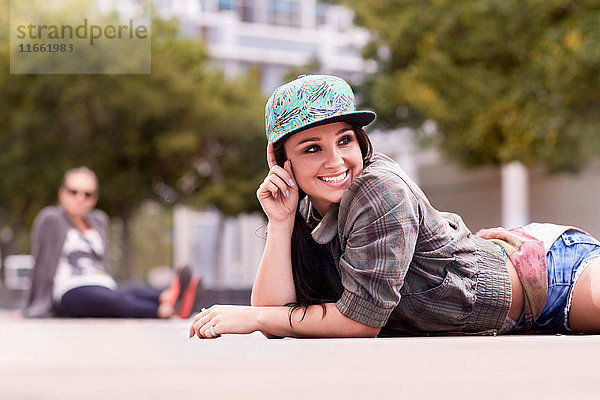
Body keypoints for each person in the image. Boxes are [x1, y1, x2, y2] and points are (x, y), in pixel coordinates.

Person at [189, 74, 600, 339]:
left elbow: (359, 321)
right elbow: (276, 313)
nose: (335, 161)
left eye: (345, 139)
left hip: (547, 275)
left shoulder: (378, 190)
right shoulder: (307, 209)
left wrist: (255, 318)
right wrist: (280, 222)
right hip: (511, 311)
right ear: (280, 160)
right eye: (312, 148)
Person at [22, 167, 199, 319]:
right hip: (70, 288)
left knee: (129, 291)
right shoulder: (51, 219)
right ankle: (164, 310)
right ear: (62, 193)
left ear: (94, 198)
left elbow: (103, 262)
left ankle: (171, 296)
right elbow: (40, 261)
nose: (80, 198)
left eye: (87, 194)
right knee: (111, 300)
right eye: (73, 191)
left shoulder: (98, 220)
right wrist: (28, 306)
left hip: (101, 282)